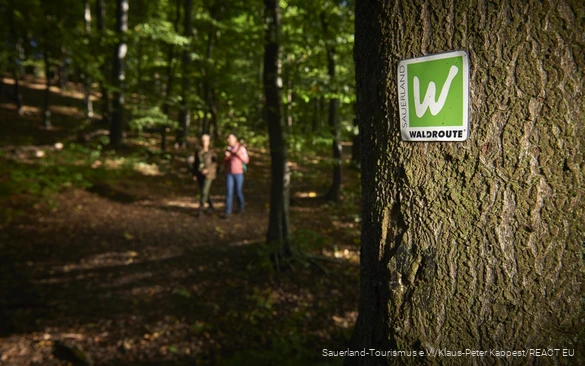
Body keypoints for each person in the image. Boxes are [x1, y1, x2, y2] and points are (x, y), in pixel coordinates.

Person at [223, 133, 249, 218]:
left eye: (230, 138)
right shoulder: (228, 148)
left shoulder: (241, 148)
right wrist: (226, 157)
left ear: (235, 139)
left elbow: (246, 160)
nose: (228, 140)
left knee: (238, 191)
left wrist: (238, 155)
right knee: (229, 192)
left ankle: (241, 207)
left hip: (238, 173)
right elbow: (225, 162)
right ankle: (228, 211)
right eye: (228, 138)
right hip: (229, 173)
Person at [193, 134, 217, 216]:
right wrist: (195, 173)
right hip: (200, 173)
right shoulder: (198, 151)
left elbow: (215, 163)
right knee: (204, 191)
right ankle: (210, 205)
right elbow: (195, 163)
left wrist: (208, 170)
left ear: (209, 142)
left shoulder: (212, 152)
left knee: (204, 191)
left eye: (206, 140)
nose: (204, 142)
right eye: (203, 140)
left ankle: (200, 208)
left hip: (209, 174)